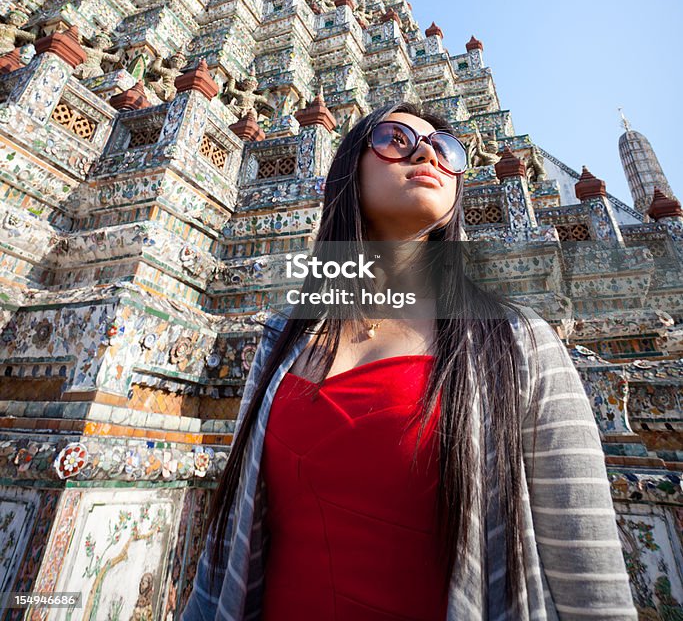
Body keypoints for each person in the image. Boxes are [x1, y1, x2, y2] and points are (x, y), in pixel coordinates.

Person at [181, 101, 637, 621]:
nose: (427, 152)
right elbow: (225, 550)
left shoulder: (516, 343)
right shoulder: (282, 340)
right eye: (396, 139)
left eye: (447, 150)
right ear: (348, 170)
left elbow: (591, 581)